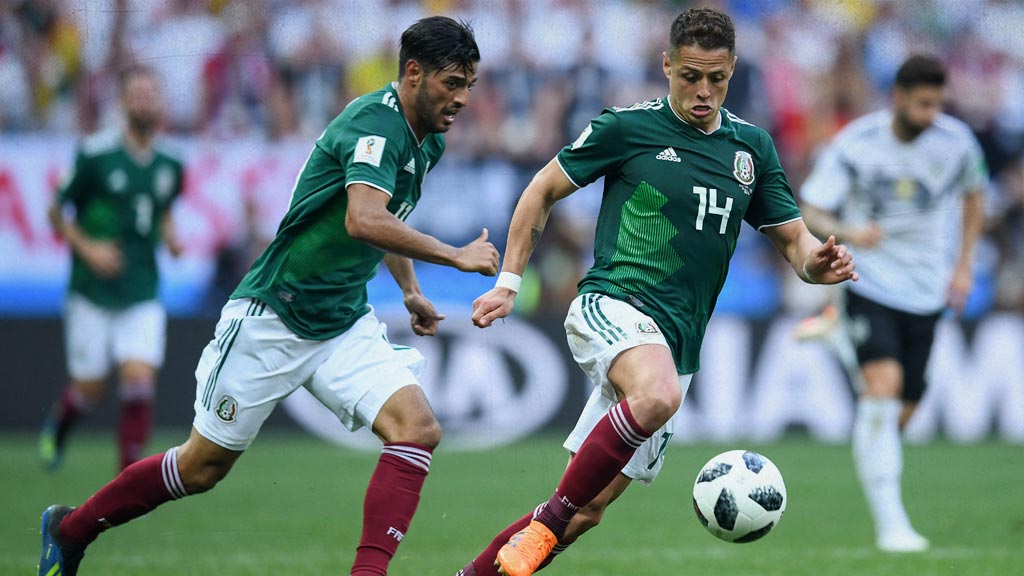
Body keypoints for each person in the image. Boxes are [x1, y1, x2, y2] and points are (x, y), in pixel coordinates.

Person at [39, 16, 498, 576]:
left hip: (340, 321)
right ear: (413, 72)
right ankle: (68, 531)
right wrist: (453, 255)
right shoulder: (375, 124)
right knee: (201, 467)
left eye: (469, 84)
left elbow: (387, 216)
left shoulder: (427, 141)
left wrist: (409, 289)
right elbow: (362, 218)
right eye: (452, 82)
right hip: (274, 315)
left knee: (417, 429)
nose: (462, 98)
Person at [460, 8, 858, 576]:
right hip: (613, 304)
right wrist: (510, 282)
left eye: (716, 79)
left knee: (587, 508)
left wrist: (821, 262)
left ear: (733, 71)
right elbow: (541, 189)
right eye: (689, 76)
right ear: (666, 64)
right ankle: (546, 525)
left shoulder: (752, 151)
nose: (703, 91)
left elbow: (796, 245)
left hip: (678, 341)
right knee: (654, 397)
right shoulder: (626, 128)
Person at [798, 54, 986, 553]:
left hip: (926, 289)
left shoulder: (957, 143)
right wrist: (852, 231)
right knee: (882, 393)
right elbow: (810, 207)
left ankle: (839, 340)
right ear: (899, 97)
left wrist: (964, 265)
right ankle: (892, 526)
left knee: (899, 414)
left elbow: (974, 196)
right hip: (870, 281)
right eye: (922, 103)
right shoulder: (856, 144)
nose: (930, 114)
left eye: (937, 104)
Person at [39, 65, 184, 474]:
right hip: (93, 290)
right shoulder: (96, 153)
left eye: (150, 93)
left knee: (139, 379)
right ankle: (60, 425)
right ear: (122, 102)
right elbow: (54, 210)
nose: (144, 100)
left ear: (160, 102)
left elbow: (164, 208)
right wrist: (90, 248)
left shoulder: (171, 161)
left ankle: (129, 477)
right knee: (89, 389)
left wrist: (171, 236)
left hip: (142, 287)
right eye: (135, 93)